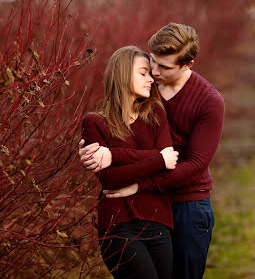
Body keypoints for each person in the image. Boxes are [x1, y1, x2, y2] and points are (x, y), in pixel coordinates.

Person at [79, 23, 225, 279]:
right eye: (152, 62)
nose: (155, 72)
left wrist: (134, 180)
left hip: (187, 203)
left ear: (187, 64)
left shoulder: (209, 102)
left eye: (164, 67)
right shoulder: (147, 87)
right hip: (147, 207)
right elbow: (119, 127)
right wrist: (95, 153)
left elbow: (193, 165)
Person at [81, 46, 179, 279]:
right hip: (117, 227)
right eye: (143, 73)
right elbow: (109, 179)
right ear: (123, 74)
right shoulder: (94, 122)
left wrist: (113, 155)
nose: (151, 80)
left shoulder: (155, 113)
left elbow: (170, 165)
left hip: (158, 221)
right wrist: (158, 159)